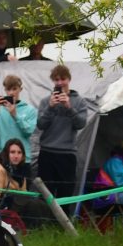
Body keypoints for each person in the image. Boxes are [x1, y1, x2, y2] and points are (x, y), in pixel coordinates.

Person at [36, 64, 89, 201]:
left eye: (63, 79)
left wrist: (69, 107)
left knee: (66, 192)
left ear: (69, 79)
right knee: (46, 193)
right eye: (56, 80)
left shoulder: (79, 101)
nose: (60, 83)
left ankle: (63, 222)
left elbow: (81, 124)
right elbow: (40, 125)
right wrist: (50, 107)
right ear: (53, 81)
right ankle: (46, 221)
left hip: (67, 153)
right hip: (47, 152)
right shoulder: (46, 101)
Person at [0, 138, 43, 227]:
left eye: (19, 152)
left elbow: (24, 192)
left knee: (41, 204)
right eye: (12, 152)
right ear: (6, 154)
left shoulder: (21, 170)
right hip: (2, 207)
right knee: (33, 205)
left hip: (19, 204)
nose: (16, 156)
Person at [0, 74, 37, 164]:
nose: (11, 93)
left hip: (23, 159)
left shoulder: (29, 109)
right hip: (3, 157)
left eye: (14, 89)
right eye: (8, 89)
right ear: (5, 90)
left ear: (20, 89)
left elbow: (29, 131)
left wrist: (15, 115)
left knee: (22, 179)